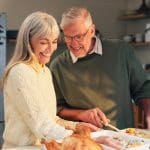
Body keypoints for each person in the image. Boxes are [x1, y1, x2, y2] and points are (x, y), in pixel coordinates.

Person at [2, 11, 121, 150]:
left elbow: (51, 120)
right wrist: (89, 140)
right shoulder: (20, 72)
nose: (51, 48)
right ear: (28, 41)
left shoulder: (44, 71)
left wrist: (77, 126)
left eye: (54, 42)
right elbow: (42, 126)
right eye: (43, 42)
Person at [50, 6, 150, 129]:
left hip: (124, 139)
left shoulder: (121, 51)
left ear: (92, 30)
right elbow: (56, 109)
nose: (73, 44)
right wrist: (82, 114)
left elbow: (143, 89)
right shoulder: (57, 66)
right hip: (85, 141)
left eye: (78, 37)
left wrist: (148, 115)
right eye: (68, 37)